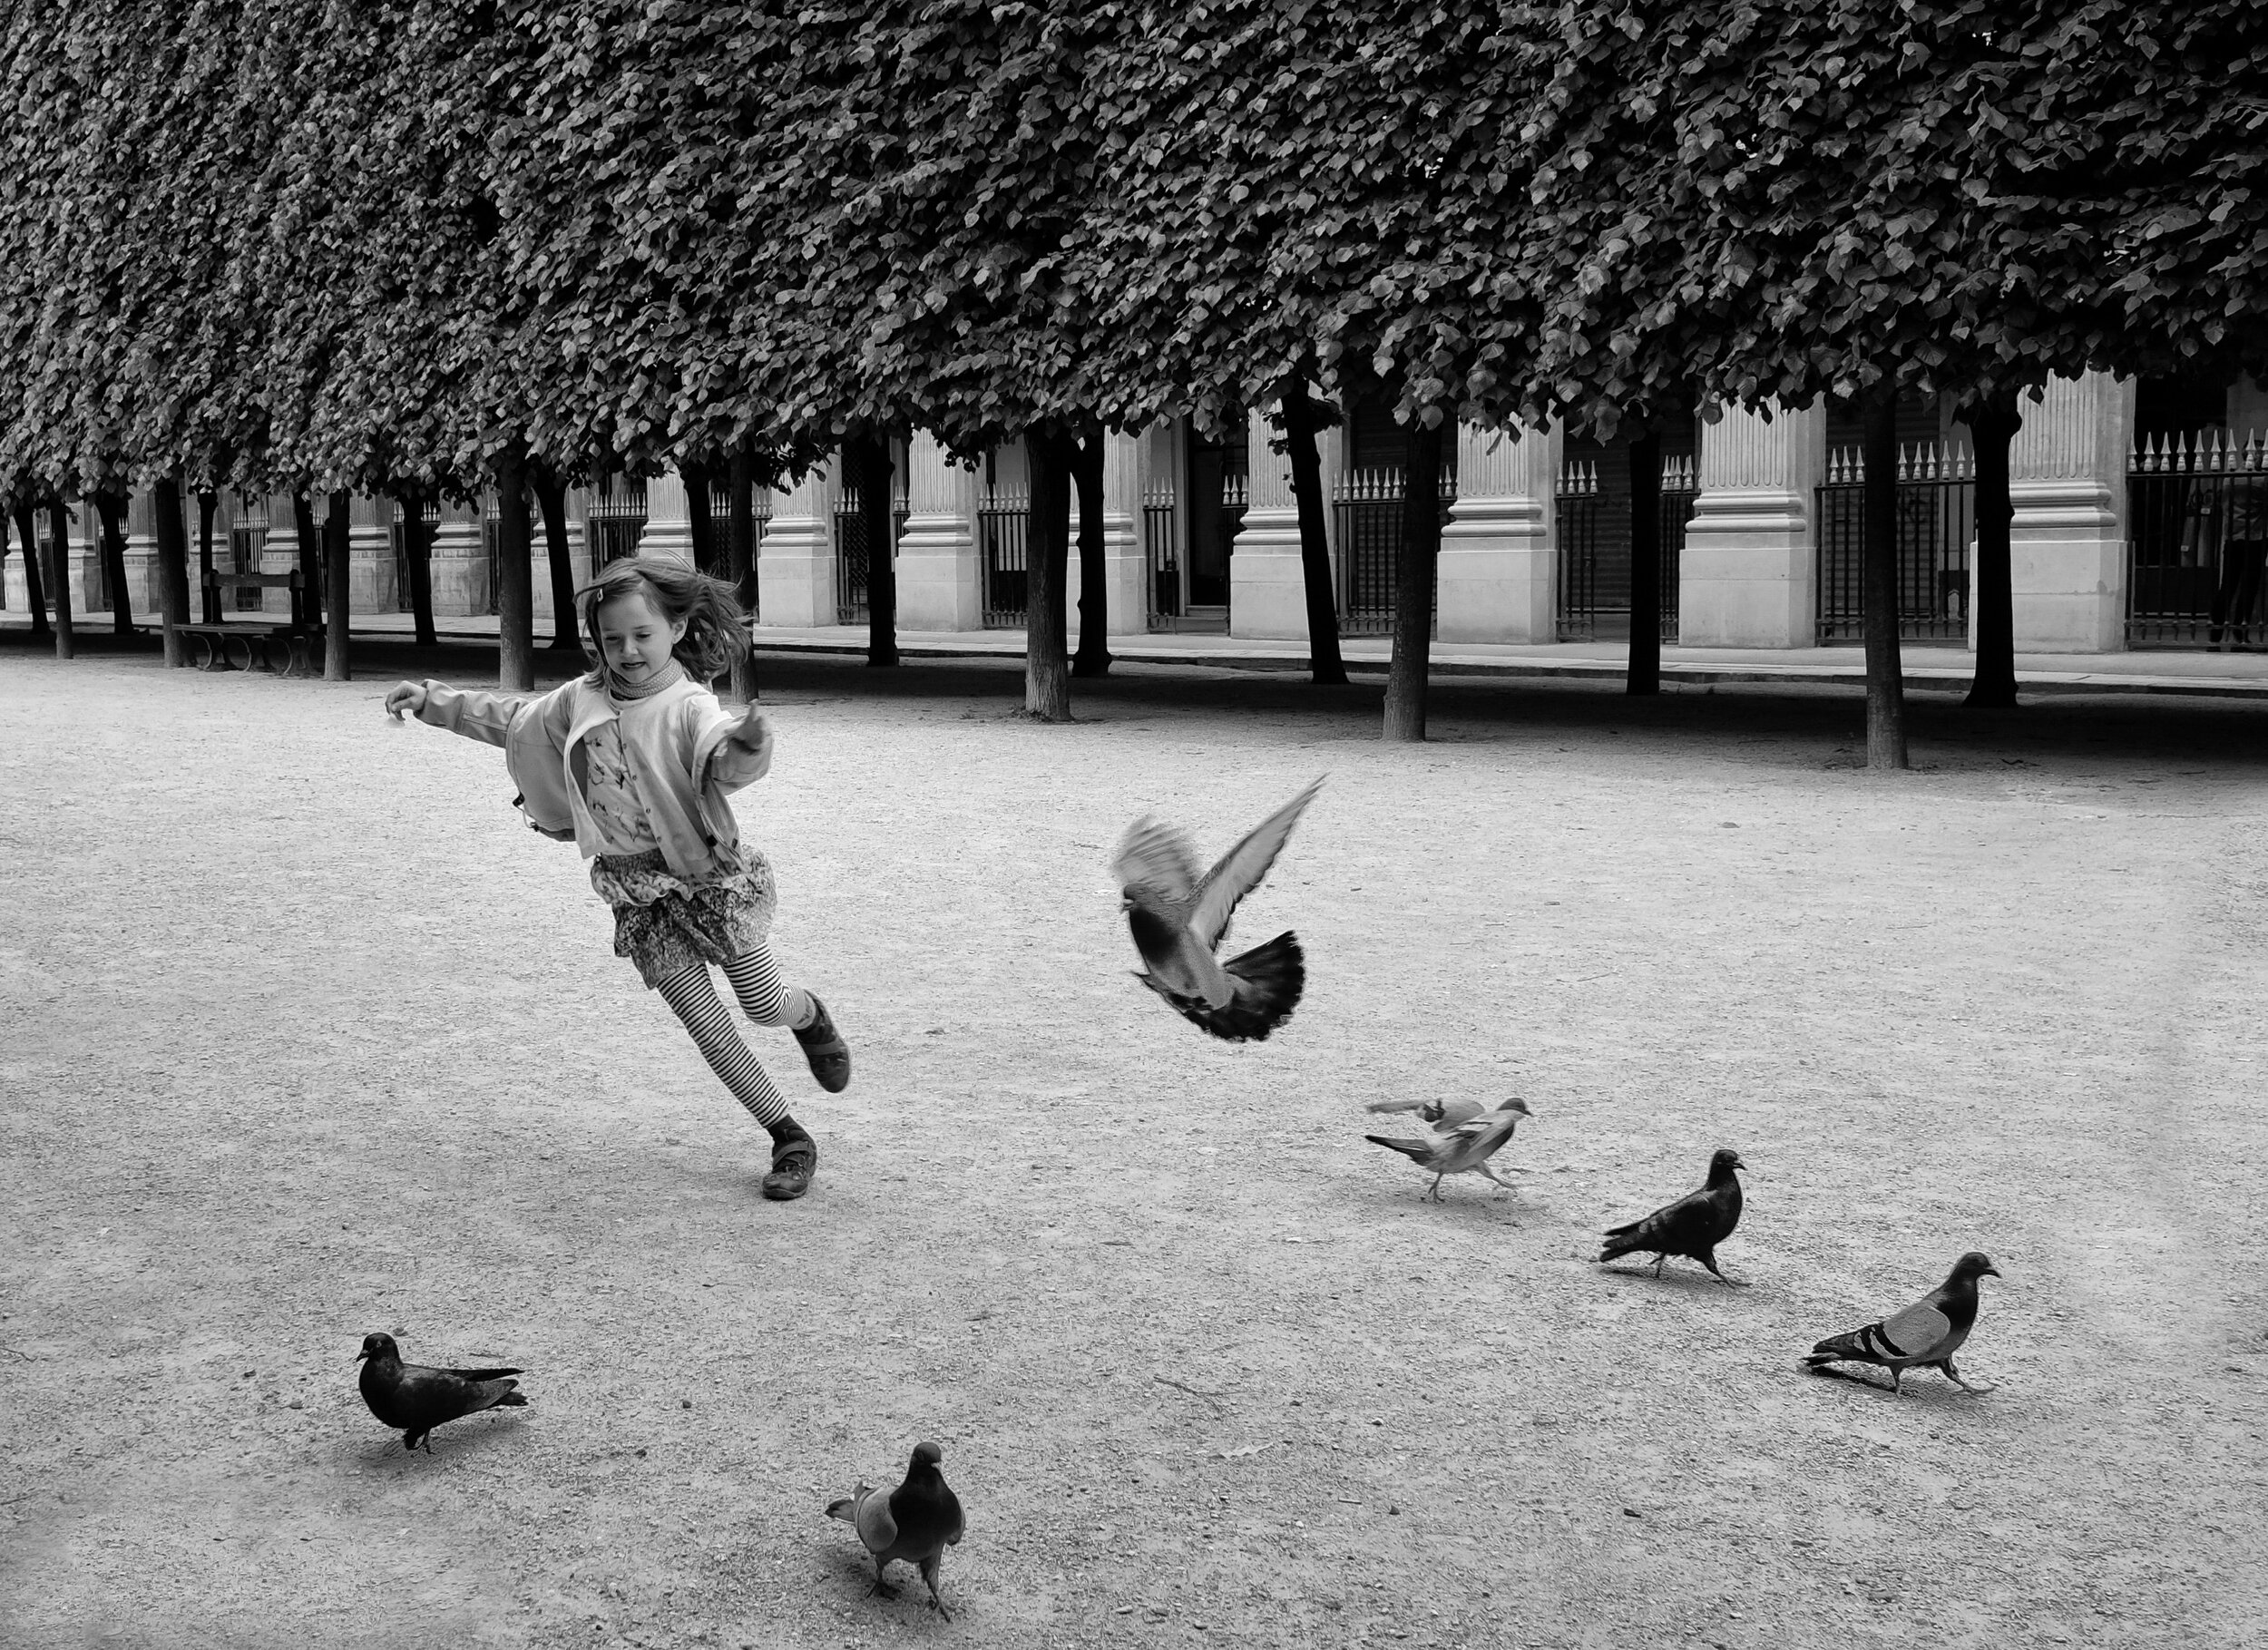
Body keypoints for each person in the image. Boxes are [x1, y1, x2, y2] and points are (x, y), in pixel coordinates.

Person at [383, 557, 846, 1201]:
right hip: (635, 890)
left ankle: (810, 1015)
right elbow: (513, 719)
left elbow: (721, 752)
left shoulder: (689, 702)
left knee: (762, 1005)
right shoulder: (581, 698)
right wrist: (434, 701)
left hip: (707, 876)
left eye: (642, 635)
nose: (627, 650)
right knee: (707, 1025)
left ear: (678, 627)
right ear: (596, 639)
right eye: (612, 638)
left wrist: (747, 746)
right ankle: (788, 1134)